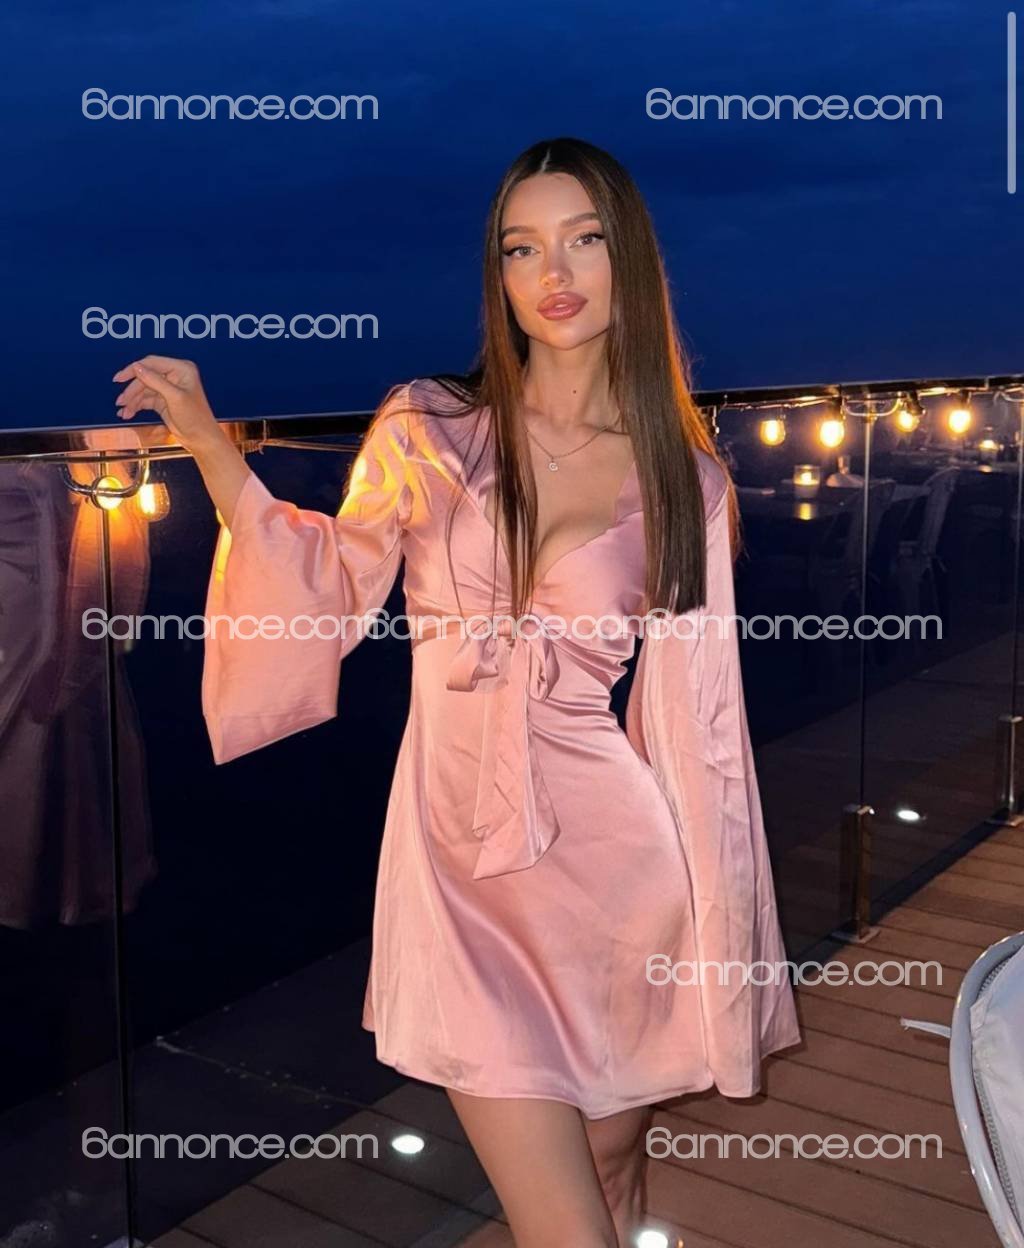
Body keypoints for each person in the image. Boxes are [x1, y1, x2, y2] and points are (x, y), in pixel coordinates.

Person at [112, 136, 801, 1248]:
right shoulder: (430, 427)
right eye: (522, 248)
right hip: (459, 863)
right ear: (499, 275)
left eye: (583, 239)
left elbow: (700, 724)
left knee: (612, 1168)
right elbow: (332, 583)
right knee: (566, 1226)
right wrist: (210, 446)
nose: (553, 273)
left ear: (629, 258)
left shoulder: (688, 478)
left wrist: (721, 944)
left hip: (624, 871)